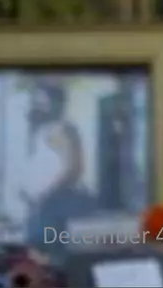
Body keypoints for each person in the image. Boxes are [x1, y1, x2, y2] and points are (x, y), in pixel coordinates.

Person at [21, 82, 97, 250]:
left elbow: (73, 167)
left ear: (56, 103)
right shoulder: (44, 130)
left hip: (54, 207)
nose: (37, 105)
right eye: (36, 101)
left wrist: (47, 195)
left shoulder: (60, 129)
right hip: (43, 205)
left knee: (49, 254)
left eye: (42, 101)